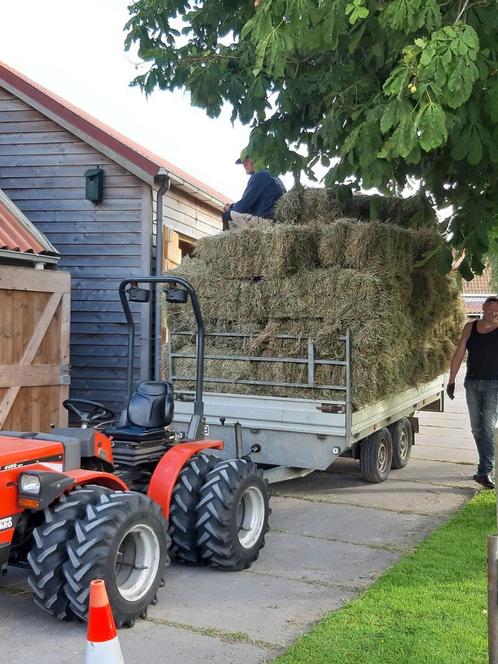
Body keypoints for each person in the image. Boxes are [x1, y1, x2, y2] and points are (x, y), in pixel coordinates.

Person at [447, 296, 498, 489]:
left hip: (495, 384)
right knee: (477, 428)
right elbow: (459, 352)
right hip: (472, 382)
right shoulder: (470, 327)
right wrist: (452, 379)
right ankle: (482, 469)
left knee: (487, 426)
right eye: (491, 309)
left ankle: (486, 470)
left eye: (497, 311)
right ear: (483, 308)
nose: (494, 313)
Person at [222, 152, 285, 231]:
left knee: (227, 215)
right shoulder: (273, 176)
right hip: (279, 222)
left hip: (267, 222)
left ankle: (229, 243)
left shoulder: (259, 175)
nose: (244, 164)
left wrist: (230, 207)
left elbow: (241, 207)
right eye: (243, 162)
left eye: (247, 160)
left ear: (258, 159)